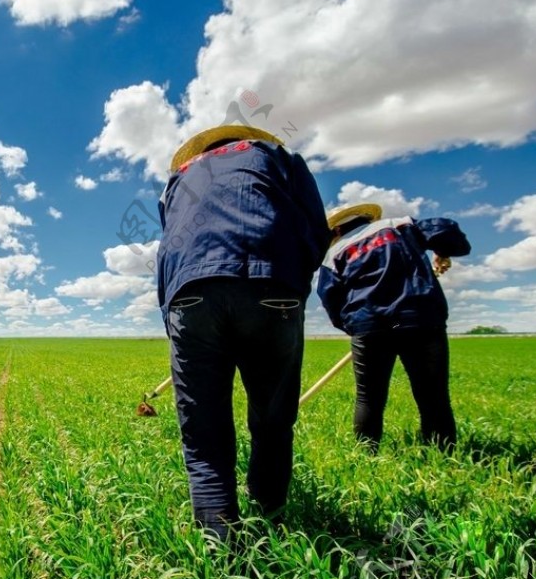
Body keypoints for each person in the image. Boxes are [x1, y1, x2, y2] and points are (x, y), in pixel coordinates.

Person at [156, 123, 330, 539]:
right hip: (273, 285)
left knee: (203, 430)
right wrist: (288, 289)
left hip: (190, 292)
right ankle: (272, 517)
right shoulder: (277, 158)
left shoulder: (179, 180)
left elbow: (169, 244)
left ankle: (220, 548)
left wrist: (176, 319)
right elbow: (316, 231)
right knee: (272, 420)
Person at [316, 204, 471, 453]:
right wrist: (443, 251)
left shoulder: (335, 253)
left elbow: (330, 298)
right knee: (433, 396)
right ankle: (444, 455)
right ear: (366, 217)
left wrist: (356, 327)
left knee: (369, 398)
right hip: (420, 318)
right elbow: (444, 228)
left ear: (335, 229)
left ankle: (367, 455)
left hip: (370, 326)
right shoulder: (399, 225)